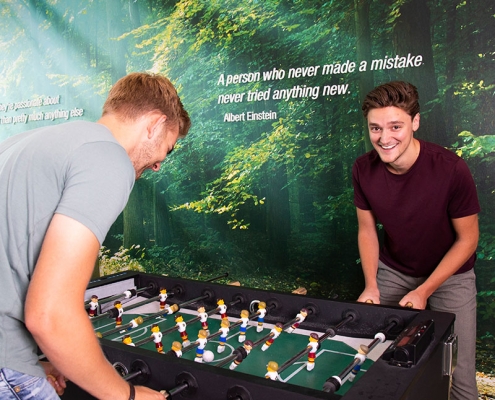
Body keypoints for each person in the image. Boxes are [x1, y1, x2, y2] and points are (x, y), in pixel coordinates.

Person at [0, 72, 191, 400]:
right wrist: (127, 395)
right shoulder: (108, 159)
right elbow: (49, 314)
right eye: (168, 148)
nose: (159, 163)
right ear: (154, 124)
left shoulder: (26, 142)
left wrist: (29, 361)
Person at [353, 81, 479, 400]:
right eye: (376, 128)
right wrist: (371, 285)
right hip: (394, 269)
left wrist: (424, 290)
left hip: (452, 275)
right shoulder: (362, 169)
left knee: (458, 375)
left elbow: (468, 239)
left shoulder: (451, 169)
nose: (385, 137)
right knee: (371, 354)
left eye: (395, 126)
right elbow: (367, 230)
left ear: (415, 122)